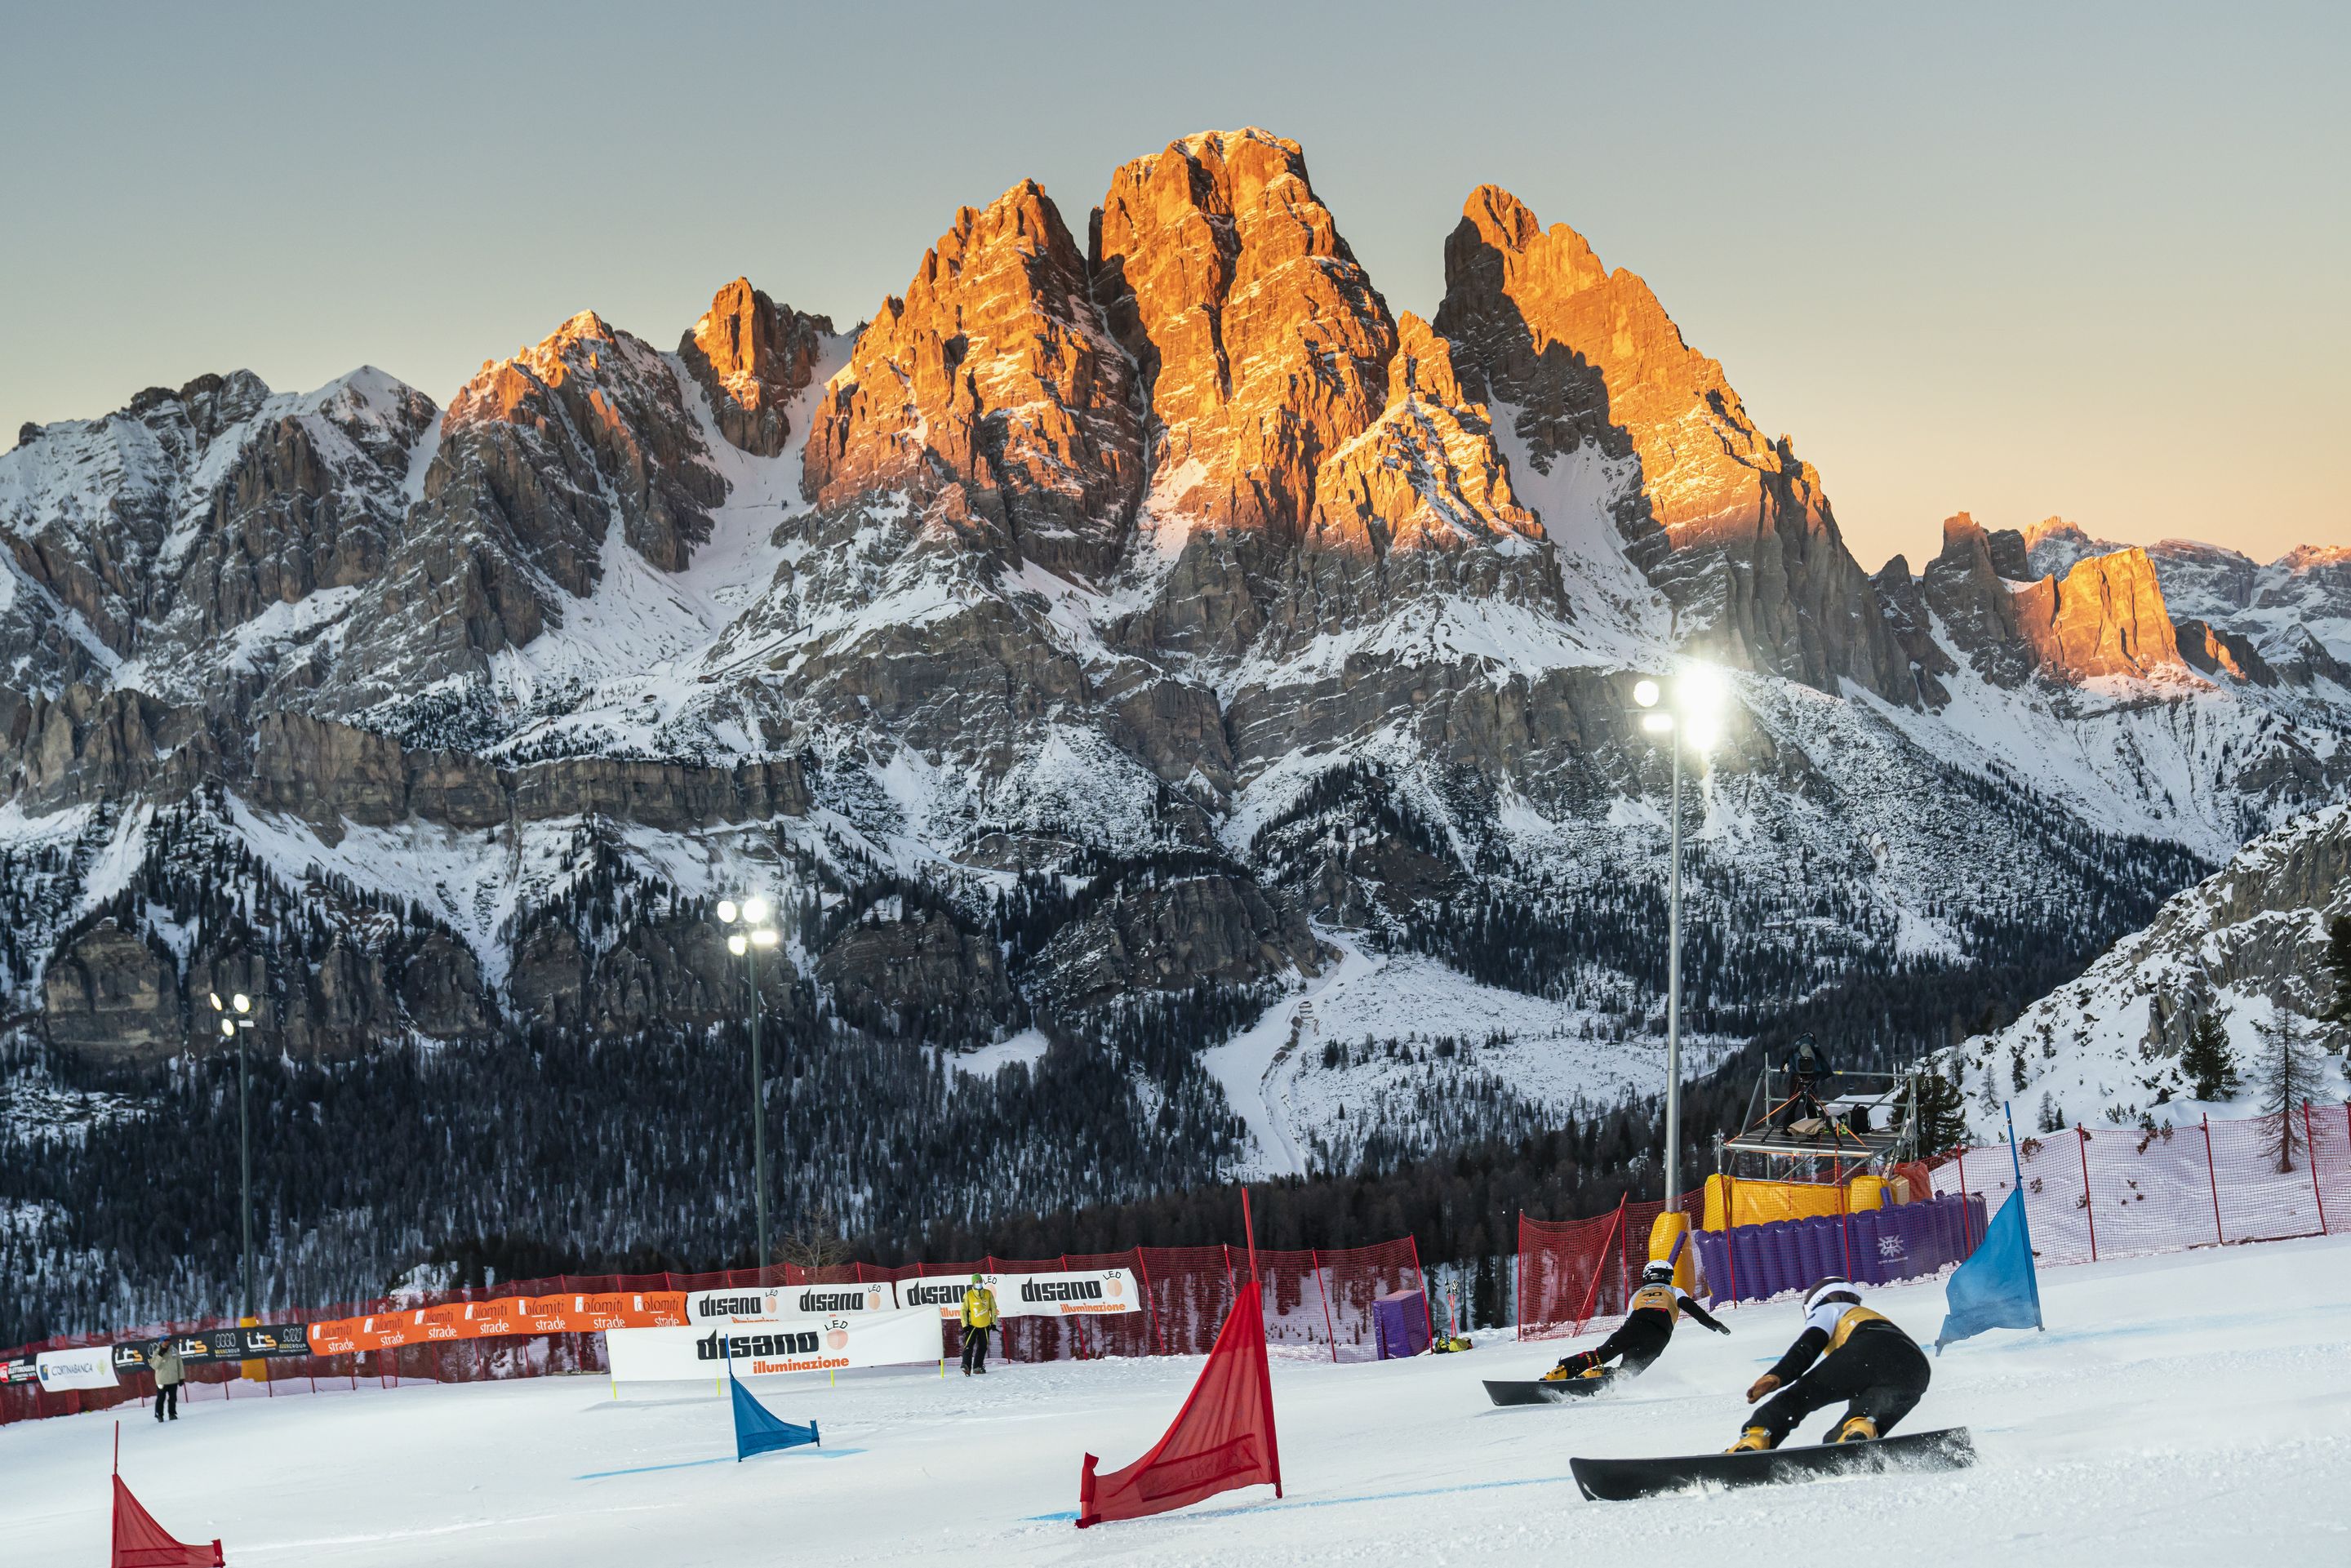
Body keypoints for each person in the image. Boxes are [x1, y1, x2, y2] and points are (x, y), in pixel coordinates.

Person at [1728, 1275, 1931, 1450]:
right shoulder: (1867, 1314)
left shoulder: (1829, 1308)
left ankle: (1755, 1438)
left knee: (1797, 1399)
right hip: (1916, 1369)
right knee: (1854, 1426)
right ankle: (1858, 1432)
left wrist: (1777, 1375)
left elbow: (1809, 1344)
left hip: (1868, 1349)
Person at [1547, 1259, 1729, 1382]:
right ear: (1669, 1276)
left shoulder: (1637, 1295)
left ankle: (1561, 1371)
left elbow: (1627, 1321)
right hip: (1658, 1336)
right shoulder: (1675, 1291)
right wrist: (1713, 1324)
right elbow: (1692, 1308)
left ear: (1647, 1276)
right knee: (1627, 1372)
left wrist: (1621, 1341)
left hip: (1633, 1327)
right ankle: (1600, 1375)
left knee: (1600, 1354)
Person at [959, 1273, 998, 1376]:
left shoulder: (988, 1293)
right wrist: (965, 1325)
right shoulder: (968, 1295)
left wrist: (994, 1323)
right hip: (972, 1325)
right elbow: (963, 1310)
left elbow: (993, 1308)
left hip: (985, 1325)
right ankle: (966, 1366)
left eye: (980, 1281)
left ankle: (977, 1367)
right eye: (977, 1282)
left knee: (983, 1347)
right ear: (973, 1283)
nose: (979, 1283)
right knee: (968, 1346)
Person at [149, 1339, 185, 1422]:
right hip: (162, 1380)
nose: (167, 1342)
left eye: (168, 1340)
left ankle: (172, 1414)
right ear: (161, 1342)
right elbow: (154, 1366)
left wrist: (181, 1377)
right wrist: (160, 1355)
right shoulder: (157, 1351)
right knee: (161, 1398)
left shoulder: (174, 1350)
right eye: (165, 1341)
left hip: (173, 1379)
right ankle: (159, 1415)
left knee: (173, 1398)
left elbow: (180, 1363)